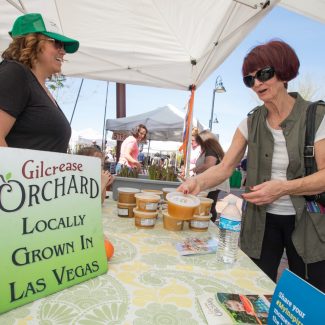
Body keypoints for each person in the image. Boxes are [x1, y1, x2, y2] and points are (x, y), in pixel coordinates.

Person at [178, 40, 325, 292]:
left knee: (309, 296)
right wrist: (197, 182)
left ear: (284, 72)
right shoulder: (250, 122)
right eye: (249, 79)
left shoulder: (315, 116)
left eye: (264, 74)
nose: (257, 83)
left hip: (307, 224)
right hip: (260, 222)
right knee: (253, 290)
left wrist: (282, 188)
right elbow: (225, 167)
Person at [0, 13, 79, 152]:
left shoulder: (37, 86)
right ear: (31, 41)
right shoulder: (15, 73)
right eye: (57, 43)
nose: (63, 51)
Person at [192, 130, 225, 222]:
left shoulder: (210, 150)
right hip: (213, 181)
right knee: (210, 204)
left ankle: (208, 224)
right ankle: (208, 223)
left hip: (212, 182)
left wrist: (196, 169)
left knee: (208, 205)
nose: (199, 143)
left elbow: (209, 164)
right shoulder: (212, 149)